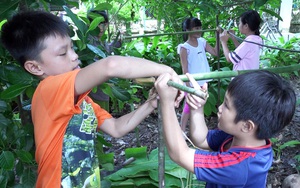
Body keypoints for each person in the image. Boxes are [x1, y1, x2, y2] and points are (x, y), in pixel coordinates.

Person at [0, 10, 183, 187]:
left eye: (72, 48)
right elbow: (111, 66)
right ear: (35, 68)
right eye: (63, 53)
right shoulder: (47, 91)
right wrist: (166, 70)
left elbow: (116, 128)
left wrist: (150, 104)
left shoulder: (82, 102)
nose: (74, 56)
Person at [154, 70, 296, 187]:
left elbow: (180, 155)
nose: (220, 108)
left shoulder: (241, 165)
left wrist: (167, 102)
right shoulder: (244, 138)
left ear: (247, 126)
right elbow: (202, 140)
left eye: (227, 105)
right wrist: (197, 108)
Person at [177, 17, 218, 131]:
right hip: (191, 82)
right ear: (187, 30)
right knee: (188, 106)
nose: (199, 30)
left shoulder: (202, 42)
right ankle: (182, 130)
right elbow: (185, 69)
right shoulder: (184, 47)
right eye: (196, 28)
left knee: (200, 105)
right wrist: (190, 86)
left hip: (204, 81)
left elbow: (215, 53)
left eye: (200, 28)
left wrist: (219, 38)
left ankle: (197, 130)